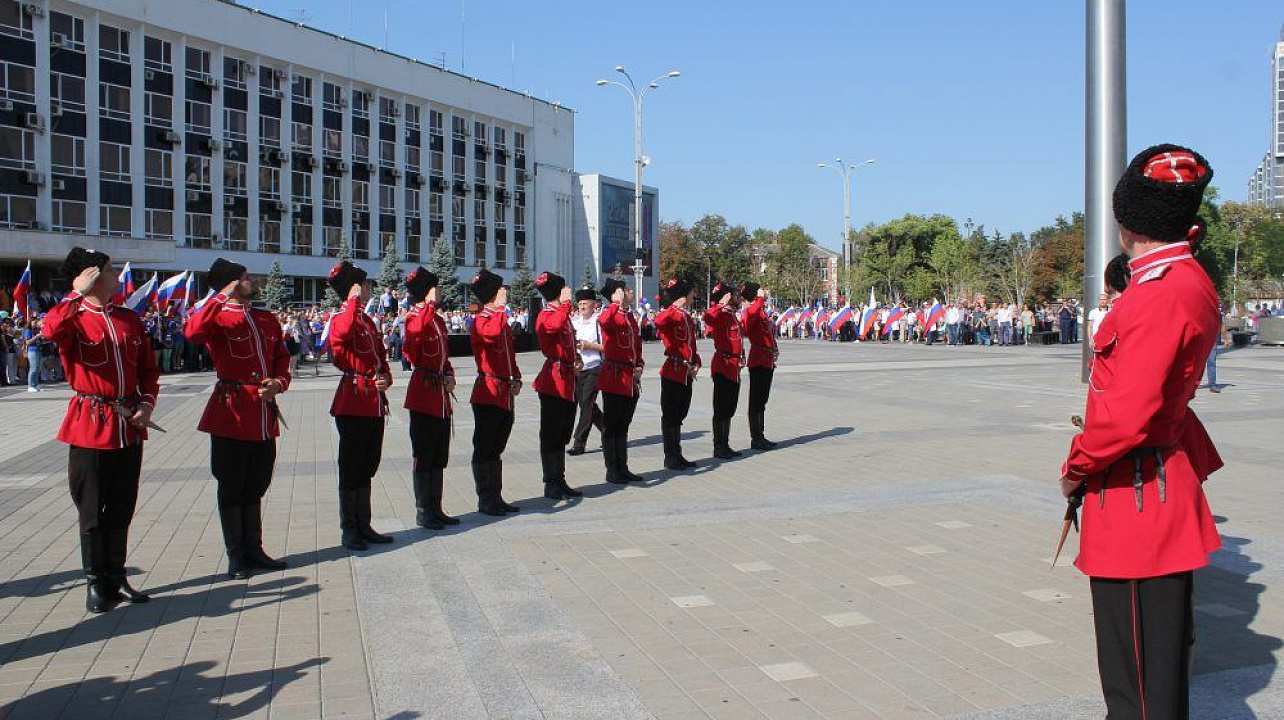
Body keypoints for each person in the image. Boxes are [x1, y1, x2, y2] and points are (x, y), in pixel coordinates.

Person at [1060, 144, 1223, 720]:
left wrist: (1075, 467)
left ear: (1125, 221)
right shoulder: (1185, 279)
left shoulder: (1157, 294)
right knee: (1154, 669)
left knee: (1136, 686)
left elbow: (1126, 415)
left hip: (1134, 493)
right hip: (1155, 478)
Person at [43, 247, 159, 613]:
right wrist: (75, 293)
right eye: (109, 270)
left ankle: (117, 576)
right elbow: (49, 330)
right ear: (91, 276)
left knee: (122, 506)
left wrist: (145, 404)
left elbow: (148, 369)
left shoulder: (127, 318)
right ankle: (96, 582)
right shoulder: (73, 317)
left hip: (127, 422)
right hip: (90, 422)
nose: (117, 276)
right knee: (92, 509)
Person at [185, 258, 292, 580]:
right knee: (232, 485)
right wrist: (219, 297)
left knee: (257, 483)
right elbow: (192, 333)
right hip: (230, 412)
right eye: (244, 278)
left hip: (261, 412)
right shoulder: (217, 317)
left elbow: (281, 358)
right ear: (231, 283)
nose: (251, 281)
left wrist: (278, 383)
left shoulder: (264, 318)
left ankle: (254, 549)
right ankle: (237, 554)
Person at [327, 261, 394, 551]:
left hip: (372, 399)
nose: (368, 289)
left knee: (368, 464)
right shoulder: (344, 315)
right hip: (353, 401)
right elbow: (340, 335)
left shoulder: (367, 321)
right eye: (364, 285)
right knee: (352, 467)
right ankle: (350, 529)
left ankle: (364, 524)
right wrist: (351, 301)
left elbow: (380, 357)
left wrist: (386, 379)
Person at [401, 267, 459, 529]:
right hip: (423, 392)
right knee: (424, 453)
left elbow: (444, 355)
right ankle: (424, 510)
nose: (440, 291)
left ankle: (436, 507)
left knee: (439, 454)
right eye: (436, 288)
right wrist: (429, 303)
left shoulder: (436, 319)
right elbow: (413, 344)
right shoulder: (415, 317)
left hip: (439, 393)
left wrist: (449, 374)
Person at [469, 268, 522, 515]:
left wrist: (517, 378)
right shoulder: (482, 319)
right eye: (500, 289)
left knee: (497, 446)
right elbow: (490, 335)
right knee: (485, 445)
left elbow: (509, 353)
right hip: (488, 391)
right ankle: (485, 498)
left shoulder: (498, 318)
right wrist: (500, 308)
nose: (505, 292)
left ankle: (496, 496)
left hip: (504, 390)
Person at [532, 272, 582, 500]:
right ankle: (550, 482)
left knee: (563, 433)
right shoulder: (547, 314)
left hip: (568, 377)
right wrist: (565, 304)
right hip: (554, 380)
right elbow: (554, 326)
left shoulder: (560, 313)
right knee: (551, 434)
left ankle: (559, 479)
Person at [596, 278, 644, 483]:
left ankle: (622, 466)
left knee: (623, 424)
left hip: (629, 377)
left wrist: (639, 365)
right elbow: (604, 322)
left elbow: (636, 344)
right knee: (612, 424)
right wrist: (615, 303)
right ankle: (612, 469)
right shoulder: (610, 313)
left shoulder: (628, 316)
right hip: (614, 376)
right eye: (626, 290)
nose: (630, 292)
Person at [654, 277, 701, 470]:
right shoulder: (672, 314)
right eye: (690, 292)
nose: (693, 295)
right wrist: (674, 306)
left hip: (685, 371)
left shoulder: (686, 316)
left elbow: (690, 344)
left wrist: (696, 361)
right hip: (673, 370)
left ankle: (677, 453)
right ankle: (670, 456)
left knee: (680, 413)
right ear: (684, 295)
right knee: (671, 414)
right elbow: (658, 321)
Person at [702, 281, 745, 459]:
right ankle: (718, 446)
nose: (737, 297)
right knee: (721, 407)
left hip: (734, 366)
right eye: (733, 294)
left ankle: (725, 444)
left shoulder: (732, 315)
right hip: (723, 365)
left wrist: (741, 356)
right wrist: (720, 303)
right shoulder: (720, 314)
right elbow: (707, 317)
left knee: (730, 407)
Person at [568, 286, 605, 456]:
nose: (582, 306)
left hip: (595, 367)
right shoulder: (574, 322)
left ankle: (579, 442)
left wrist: (589, 346)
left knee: (587, 405)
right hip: (578, 370)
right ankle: (607, 430)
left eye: (586, 303)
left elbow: (607, 347)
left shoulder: (599, 322)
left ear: (594, 305)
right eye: (580, 303)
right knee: (586, 404)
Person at [741, 282, 778, 451]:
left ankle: (760, 435)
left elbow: (768, 333)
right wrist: (759, 298)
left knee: (762, 400)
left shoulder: (760, 312)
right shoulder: (750, 311)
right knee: (756, 401)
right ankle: (755, 438)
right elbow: (748, 328)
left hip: (767, 358)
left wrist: (774, 347)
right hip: (758, 359)